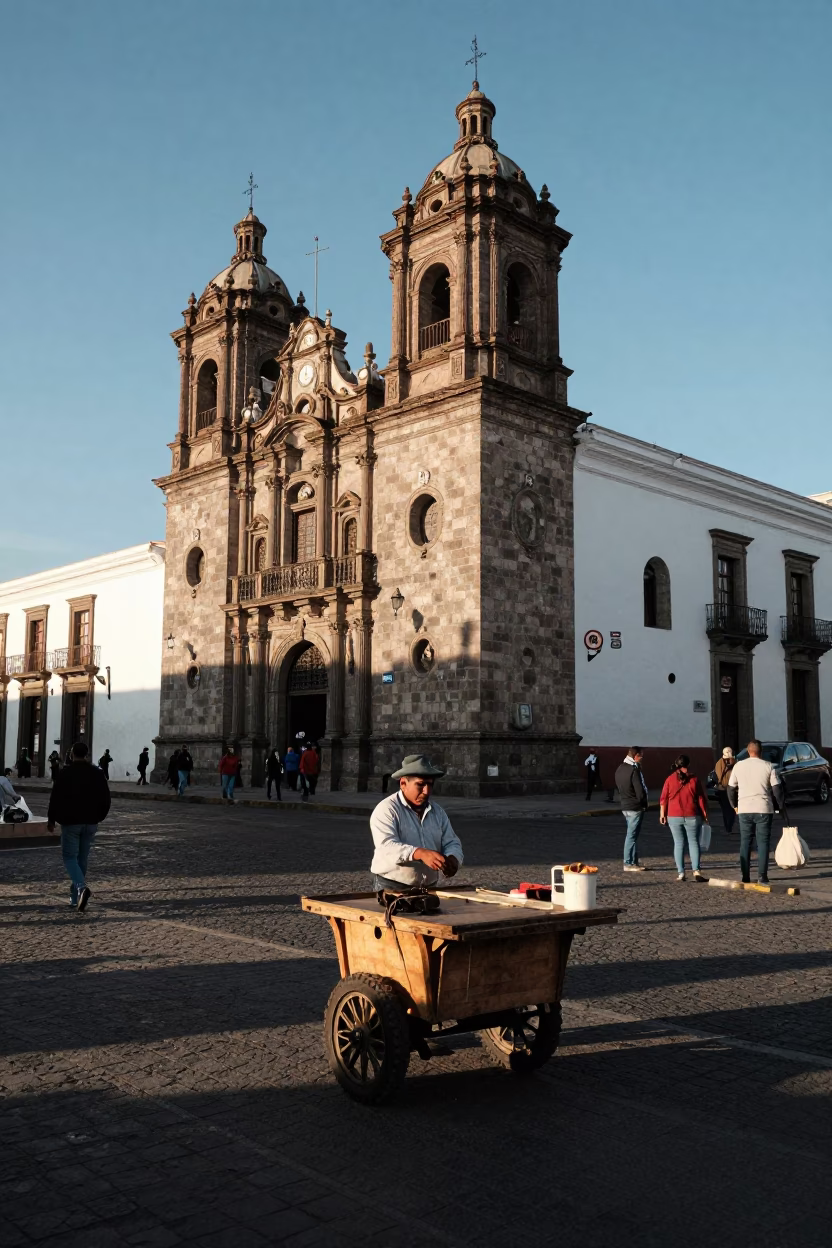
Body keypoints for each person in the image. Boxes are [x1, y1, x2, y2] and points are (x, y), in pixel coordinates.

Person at [370, 755, 463, 894]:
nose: (426, 791)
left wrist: (453, 858)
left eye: (430, 784)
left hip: (430, 886)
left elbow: (452, 841)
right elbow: (386, 847)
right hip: (393, 886)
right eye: (420, 785)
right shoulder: (387, 809)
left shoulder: (438, 812)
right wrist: (419, 853)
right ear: (403, 784)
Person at [47, 741, 111, 912]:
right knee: (82, 858)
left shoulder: (65, 774)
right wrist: (99, 817)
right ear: (87, 755)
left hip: (71, 822)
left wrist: (51, 820)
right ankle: (75, 897)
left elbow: (55, 798)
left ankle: (81, 888)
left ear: (71, 754)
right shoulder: (97, 773)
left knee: (69, 857)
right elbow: (106, 798)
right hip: (91, 822)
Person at [727, 739, 783, 885]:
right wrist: (780, 806)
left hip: (744, 808)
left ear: (747, 751)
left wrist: (734, 805)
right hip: (763, 808)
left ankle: (745, 875)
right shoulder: (769, 766)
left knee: (745, 842)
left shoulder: (738, 766)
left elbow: (731, 788)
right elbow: (777, 789)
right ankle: (762, 876)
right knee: (763, 843)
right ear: (761, 752)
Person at [659, 754, 709, 882]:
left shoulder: (669, 779)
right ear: (688, 764)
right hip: (692, 814)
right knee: (693, 842)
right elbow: (701, 798)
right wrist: (705, 814)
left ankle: (681, 873)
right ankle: (696, 871)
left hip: (674, 815)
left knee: (678, 843)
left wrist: (662, 814)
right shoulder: (694, 779)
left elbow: (663, 799)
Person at [615, 748, 649, 872]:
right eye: (641, 756)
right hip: (635, 806)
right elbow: (640, 790)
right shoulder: (634, 770)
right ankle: (628, 862)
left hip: (625, 805)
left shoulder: (620, 769)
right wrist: (644, 803)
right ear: (636, 756)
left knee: (632, 834)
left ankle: (633, 861)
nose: (642, 758)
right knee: (631, 835)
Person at [713, 747, 736, 834]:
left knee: (725, 809)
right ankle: (729, 826)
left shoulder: (719, 763)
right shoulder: (734, 762)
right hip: (730, 789)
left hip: (722, 789)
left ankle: (727, 827)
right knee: (731, 809)